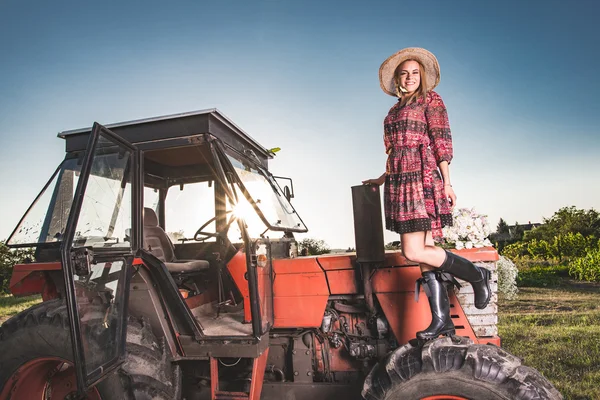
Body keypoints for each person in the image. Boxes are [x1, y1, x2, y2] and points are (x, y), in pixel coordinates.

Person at [362, 47, 491, 341]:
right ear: (397, 78)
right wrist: (384, 177)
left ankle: (476, 275)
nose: (409, 78)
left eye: (415, 73)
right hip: (398, 181)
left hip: (421, 179)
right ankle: (442, 321)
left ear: (422, 77)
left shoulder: (430, 100)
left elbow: (440, 140)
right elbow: (396, 149)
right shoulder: (393, 111)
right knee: (425, 257)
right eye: (404, 73)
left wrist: (446, 182)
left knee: (412, 251)